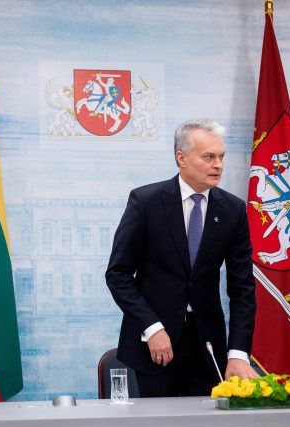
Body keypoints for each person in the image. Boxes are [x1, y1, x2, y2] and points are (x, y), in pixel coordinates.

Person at [106, 118, 257, 397]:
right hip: (155, 344)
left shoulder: (233, 210)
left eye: (221, 157)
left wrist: (238, 353)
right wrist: (151, 328)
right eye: (209, 157)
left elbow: (243, 289)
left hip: (208, 347)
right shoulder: (146, 202)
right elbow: (118, 275)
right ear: (182, 158)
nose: (218, 165)